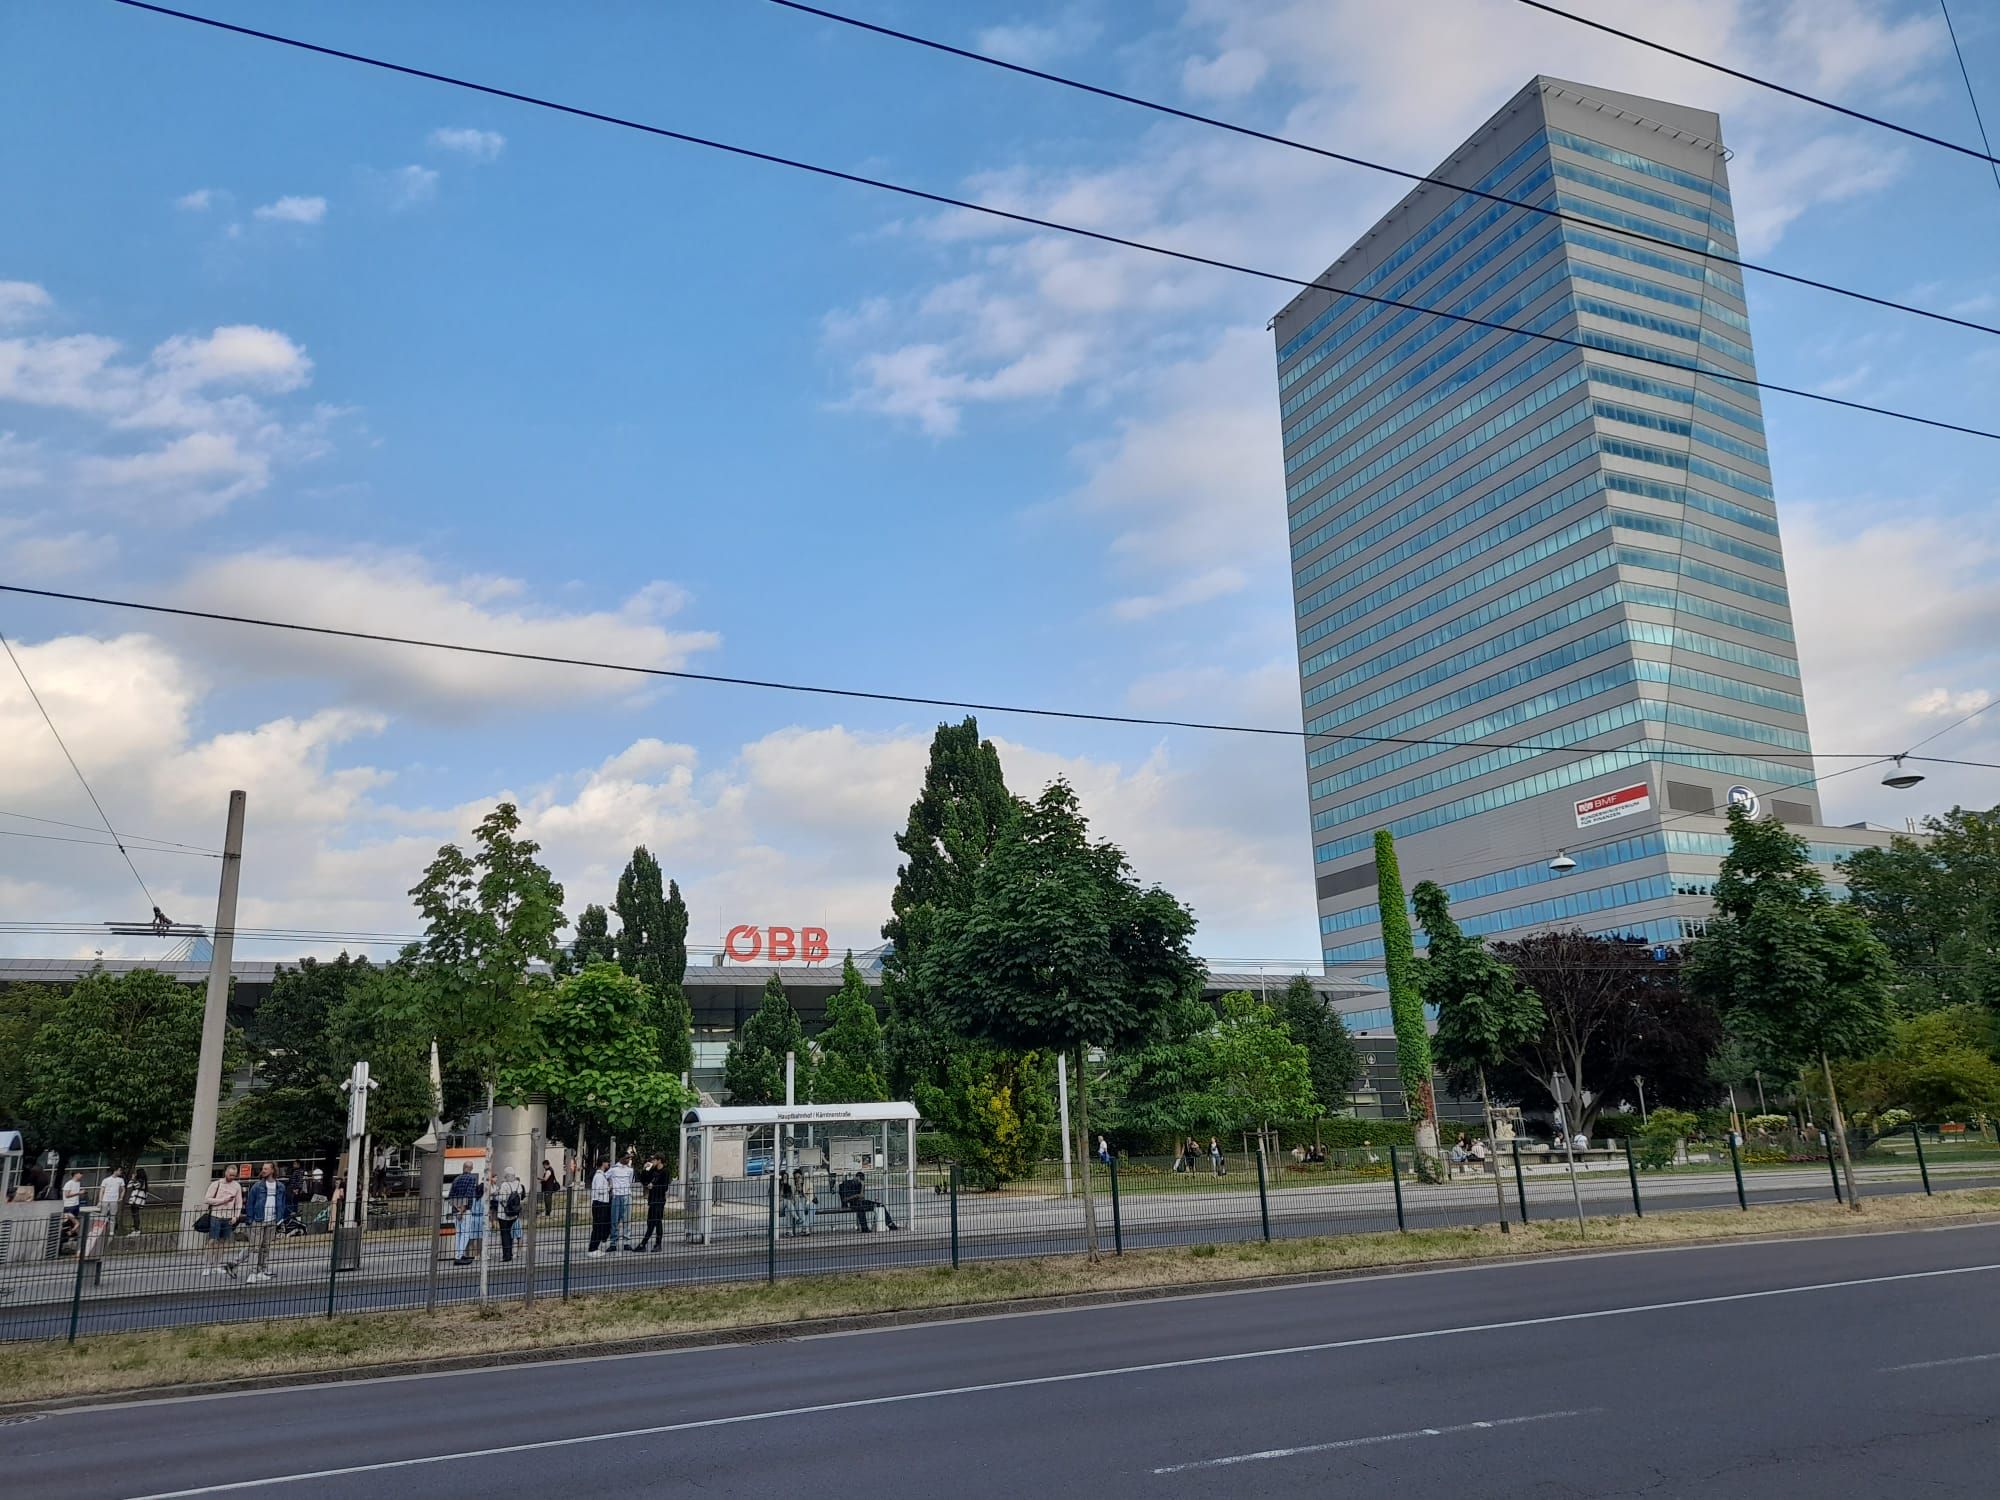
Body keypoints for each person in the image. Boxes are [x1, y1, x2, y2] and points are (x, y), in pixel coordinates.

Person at [234, 1161, 290, 1282]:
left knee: (265, 1247)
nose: (263, 1170)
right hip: (258, 1219)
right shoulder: (257, 1186)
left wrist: (280, 1218)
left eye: (266, 1168)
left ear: (272, 1170)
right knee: (255, 1247)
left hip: (273, 1219)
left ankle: (261, 1270)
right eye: (263, 1168)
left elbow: (283, 1202)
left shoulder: (280, 1186)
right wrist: (250, 1218)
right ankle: (253, 1272)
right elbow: (250, 1203)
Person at [200, 1165, 243, 1277]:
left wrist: (236, 1216)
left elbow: (238, 1202)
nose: (232, 1177)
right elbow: (207, 1199)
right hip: (216, 1215)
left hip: (228, 1217)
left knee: (222, 1242)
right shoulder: (216, 1184)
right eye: (230, 1175)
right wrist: (223, 1200)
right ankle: (207, 1265)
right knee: (212, 1241)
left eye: (234, 1175)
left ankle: (217, 1265)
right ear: (225, 1173)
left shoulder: (236, 1186)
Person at [448, 1167, 480, 1266]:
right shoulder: (471, 1179)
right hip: (465, 1210)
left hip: (455, 1209)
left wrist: (456, 1208)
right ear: (471, 1168)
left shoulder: (456, 1179)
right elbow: (468, 1195)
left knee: (458, 1233)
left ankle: (458, 1254)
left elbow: (450, 1195)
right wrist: (462, 1210)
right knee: (465, 1233)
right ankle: (459, 1256)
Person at [637, 1155, 670, 1251]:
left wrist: (654, 1186)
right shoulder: (653, 1170)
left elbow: (665, 1187)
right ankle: (644, 1244)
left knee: (657, 1221)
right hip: (652, 1199)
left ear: (659, 1160)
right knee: (651, 1222)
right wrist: (644, 1169)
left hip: (659, 1200)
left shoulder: (665, 1171)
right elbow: (644, 1180)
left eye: (654, 1160)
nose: (653, 1161)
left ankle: (653, 1244)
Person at [607, 1151, 637, 1250]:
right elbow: (605, 1177)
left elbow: (630, 1181)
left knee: (627, 1219)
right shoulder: (613, 1169)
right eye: (627, 1158)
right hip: (616, 1195)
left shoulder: (630, 1170)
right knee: (614, 1220)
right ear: (621, 1158)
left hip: (627, 1195)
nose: (628, 1160)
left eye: (629, 1158)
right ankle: (613, 1243)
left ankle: (626, 1241)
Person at [493, 1170, 524, 1263]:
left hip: (504, 1213)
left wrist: (495, 1196)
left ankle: (506, 1255)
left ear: (506, 1176)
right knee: (510, 1233)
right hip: (514, 1213)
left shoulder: (505, 1185)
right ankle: (510, 1253)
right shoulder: (518, 1185)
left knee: (504, 1234)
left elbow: (502, 1197)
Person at [586, 1158, 613, 1256]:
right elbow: (599, 1190)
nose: (608, 1163)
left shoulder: (601, 1176)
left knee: (600, 1226)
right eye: (607, 1162)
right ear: (603, 1163)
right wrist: (609, 1187)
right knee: (597, 1226)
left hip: (603, 1202)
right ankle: (592, 1249)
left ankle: (595, 1247)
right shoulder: (599, 1176)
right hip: (599, 1203)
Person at [125, 1165, 150, 1236]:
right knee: (135, 1214)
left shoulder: (140, 1182)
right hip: (138, 1200)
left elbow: (129, 1186)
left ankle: (137, 1229)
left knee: (135, 1214)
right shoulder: (143, 1182)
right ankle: (135, 1229)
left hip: (136, 1200)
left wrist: (132, 1179)